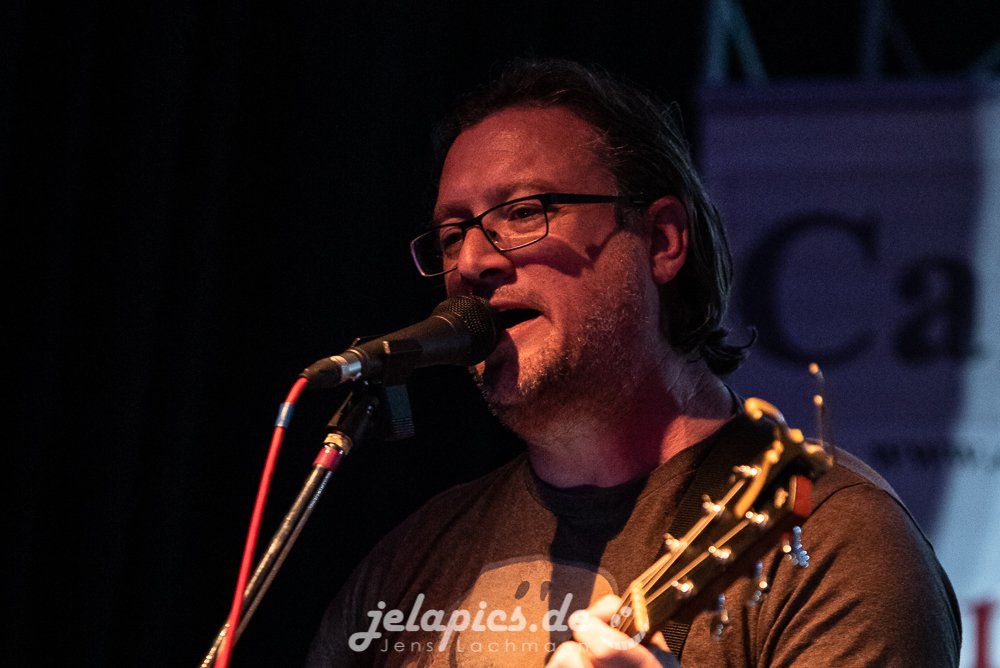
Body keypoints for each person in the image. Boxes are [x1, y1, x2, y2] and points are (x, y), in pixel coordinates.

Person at [306, 58, 960, 666]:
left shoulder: (827, 536)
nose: (473, 262)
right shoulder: (411, 562)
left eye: (524, 212)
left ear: (662, 241)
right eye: (452, 236)